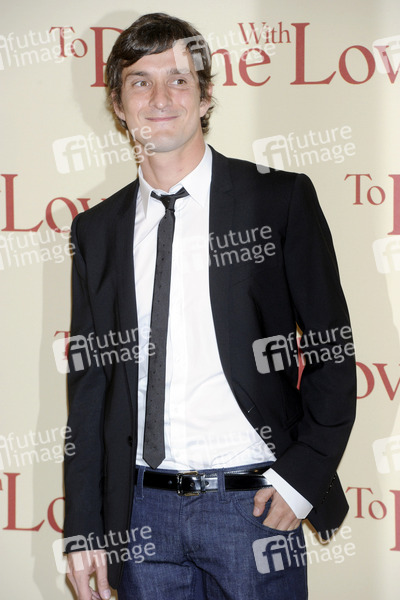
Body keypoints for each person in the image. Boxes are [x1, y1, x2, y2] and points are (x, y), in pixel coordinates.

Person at [63, 12, 356, 600]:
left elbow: (331, 347)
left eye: (178, 79)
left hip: (254, 506)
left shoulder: (278, 199)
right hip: (141, 513)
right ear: (118, 104)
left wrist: (302, 477)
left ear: (205, 96)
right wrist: (85, 528)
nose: (160, 98)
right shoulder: (96, 230)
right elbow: (91, 389)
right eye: (140, 81)